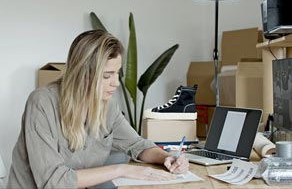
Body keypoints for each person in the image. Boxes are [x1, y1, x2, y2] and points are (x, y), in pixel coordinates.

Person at [7, 30, 189, 188]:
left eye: (117, 73)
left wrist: (167, 158)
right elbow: (54, 181)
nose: (116, 83)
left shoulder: (107, 106)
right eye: (107, 75)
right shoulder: (42, 103)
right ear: (82, 74)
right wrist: (121, 170)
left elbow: (137, 145)